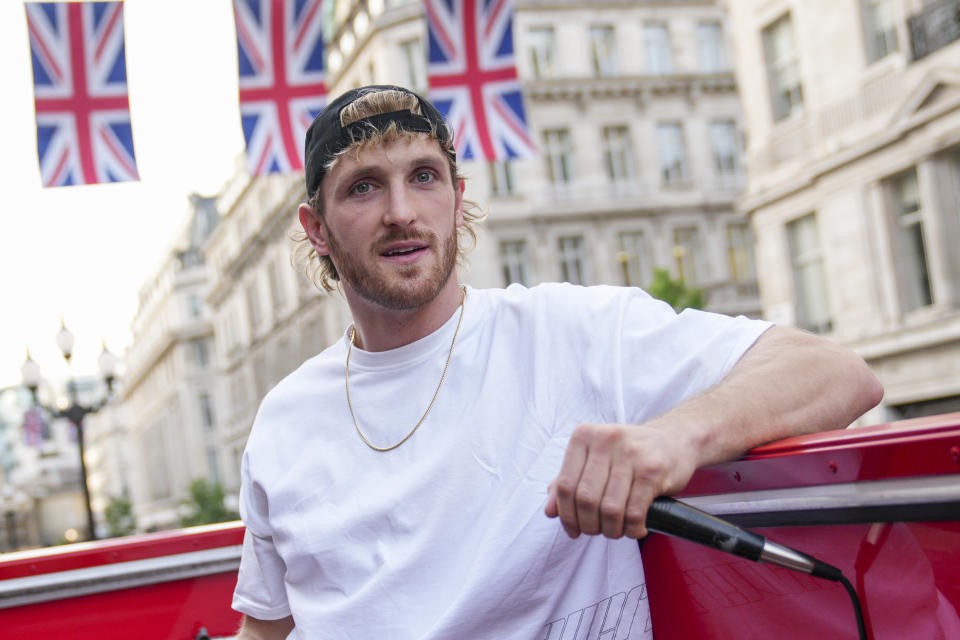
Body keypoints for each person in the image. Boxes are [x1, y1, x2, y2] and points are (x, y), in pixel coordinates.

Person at [231, 85, 883, 640]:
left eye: (423, 176)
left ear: (457, 199)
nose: (401, 213)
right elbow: (265, 627)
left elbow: (836, 372)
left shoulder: (571, 331)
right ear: (316, 228)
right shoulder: (283, 421)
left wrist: (672, 438)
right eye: (364, 188)